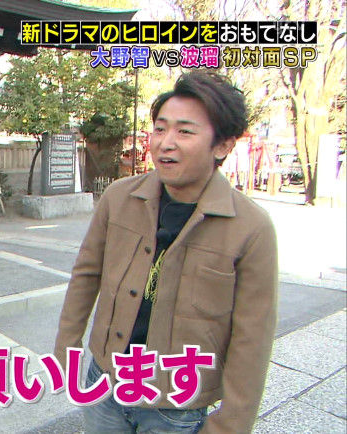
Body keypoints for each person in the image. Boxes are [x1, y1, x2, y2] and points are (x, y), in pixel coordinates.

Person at [54, 71, 277, 433]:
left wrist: (230, 425)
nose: (165, 143)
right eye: (160, 129)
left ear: (222, 146)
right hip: (105, 381)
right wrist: (66, 348)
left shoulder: (251, 228)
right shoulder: (119, 197)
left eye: (184, 132)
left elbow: (252, 336)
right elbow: (86, 274)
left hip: (176, 403)